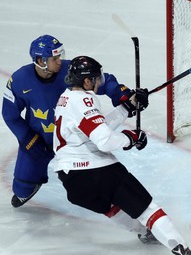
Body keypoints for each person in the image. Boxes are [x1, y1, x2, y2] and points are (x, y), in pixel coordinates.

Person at [52, 55, 191, 255]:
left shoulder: (67, 98)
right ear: (86, 82)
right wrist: (130, 138)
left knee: (110, 207)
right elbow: (104, 140)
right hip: (96, 170)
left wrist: (127, 107)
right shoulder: (85, 101)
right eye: (95, 78)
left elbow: (94, 128)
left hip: (71, 181)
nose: (99, 82)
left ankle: (146, 233)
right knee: (147, 209)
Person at [2, 34, 147, 208]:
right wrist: (29, 140)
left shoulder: (69, 72)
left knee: (93, 186)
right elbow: (10, 115)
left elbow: (104, 80)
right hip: (39, 142)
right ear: (40, 60)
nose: (60, 61)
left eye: (60, 56)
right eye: (55, 58)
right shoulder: (19, 80)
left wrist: (123, 94)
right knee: (21, 190)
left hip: (74, 143)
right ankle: (33, 180)